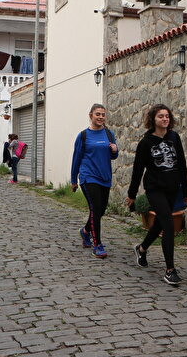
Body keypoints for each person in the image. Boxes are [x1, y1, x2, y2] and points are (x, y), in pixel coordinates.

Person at [125, 104, 187, 285]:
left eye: (167, 116)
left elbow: (182, 165)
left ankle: (142, 248)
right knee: (168, 226)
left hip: (172, 188)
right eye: (161, 116)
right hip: (155, 189)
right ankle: (170, 270)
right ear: (153, 119)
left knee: (160, 223)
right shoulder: (146, 143)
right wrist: (132, 195)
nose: (165, 119)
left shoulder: (174, 137)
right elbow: (137, 171)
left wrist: (186, 190)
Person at [71, 104, 118, 259]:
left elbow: (112, 157)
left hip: (104, 177)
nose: (100, 117)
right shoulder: (83, 136)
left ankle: (85, 231)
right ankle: (97, 244)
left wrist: (115, 151)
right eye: (98, 114)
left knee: (100, 210)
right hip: (88, 176)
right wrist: (74, 180)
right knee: (96, 208)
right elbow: (76, 158)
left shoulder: (109, 134)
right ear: (91, 115)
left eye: (103, 114)